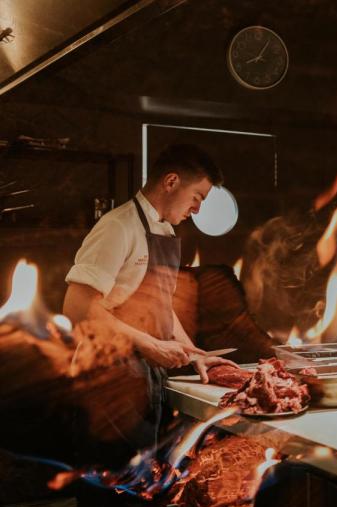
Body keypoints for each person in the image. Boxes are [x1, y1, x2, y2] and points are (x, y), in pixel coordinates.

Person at [63, 143, 236, 449]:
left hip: (142, 375)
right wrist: (151, 344)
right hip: (108, 376)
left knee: (140, 479)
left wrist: (195, 355)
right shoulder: (118, 226)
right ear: (171, 182)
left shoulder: (164, 231)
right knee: (112, 484)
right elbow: (77, 307)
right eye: (197, 197)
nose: (197, 210)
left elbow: (161, 304)